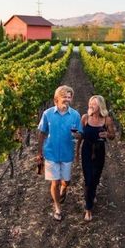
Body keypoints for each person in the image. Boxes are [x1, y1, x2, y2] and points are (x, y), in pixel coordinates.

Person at [37, 85, 82, 221]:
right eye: (65, 97)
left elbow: (80, 135)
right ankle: (57, 208)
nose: (67, 100)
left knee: (66, 181)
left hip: (67, 153)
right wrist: (39, 152)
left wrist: (77, 135)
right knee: (55, 182)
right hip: (51, 153)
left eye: (69, 97)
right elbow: (42, 133)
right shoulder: (47, 114)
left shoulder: (75, 115)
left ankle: (64, 189)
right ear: (57, 99)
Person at [77, 95, 115, 221]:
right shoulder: (85, 118)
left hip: (99, 151)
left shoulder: (106, 120)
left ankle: (91, 193)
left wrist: (107, 134)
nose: (90, 106)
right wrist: (77, 153)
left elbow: (113, 135)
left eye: (94, 104)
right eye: (90, 103)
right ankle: (88, 209)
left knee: (95, 177)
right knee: (88, 179)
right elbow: (81, 137)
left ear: (100, 106)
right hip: (87, 151)